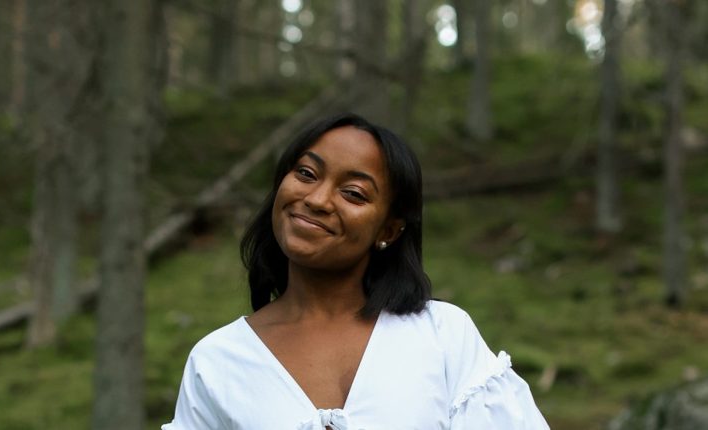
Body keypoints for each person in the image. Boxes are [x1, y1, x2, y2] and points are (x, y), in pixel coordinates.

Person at [162, 113, 549, 429]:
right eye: (306, 174)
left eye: (353, 194)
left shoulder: (443, 337)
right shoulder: (218, 362)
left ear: (388, 230)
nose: (317, 199)